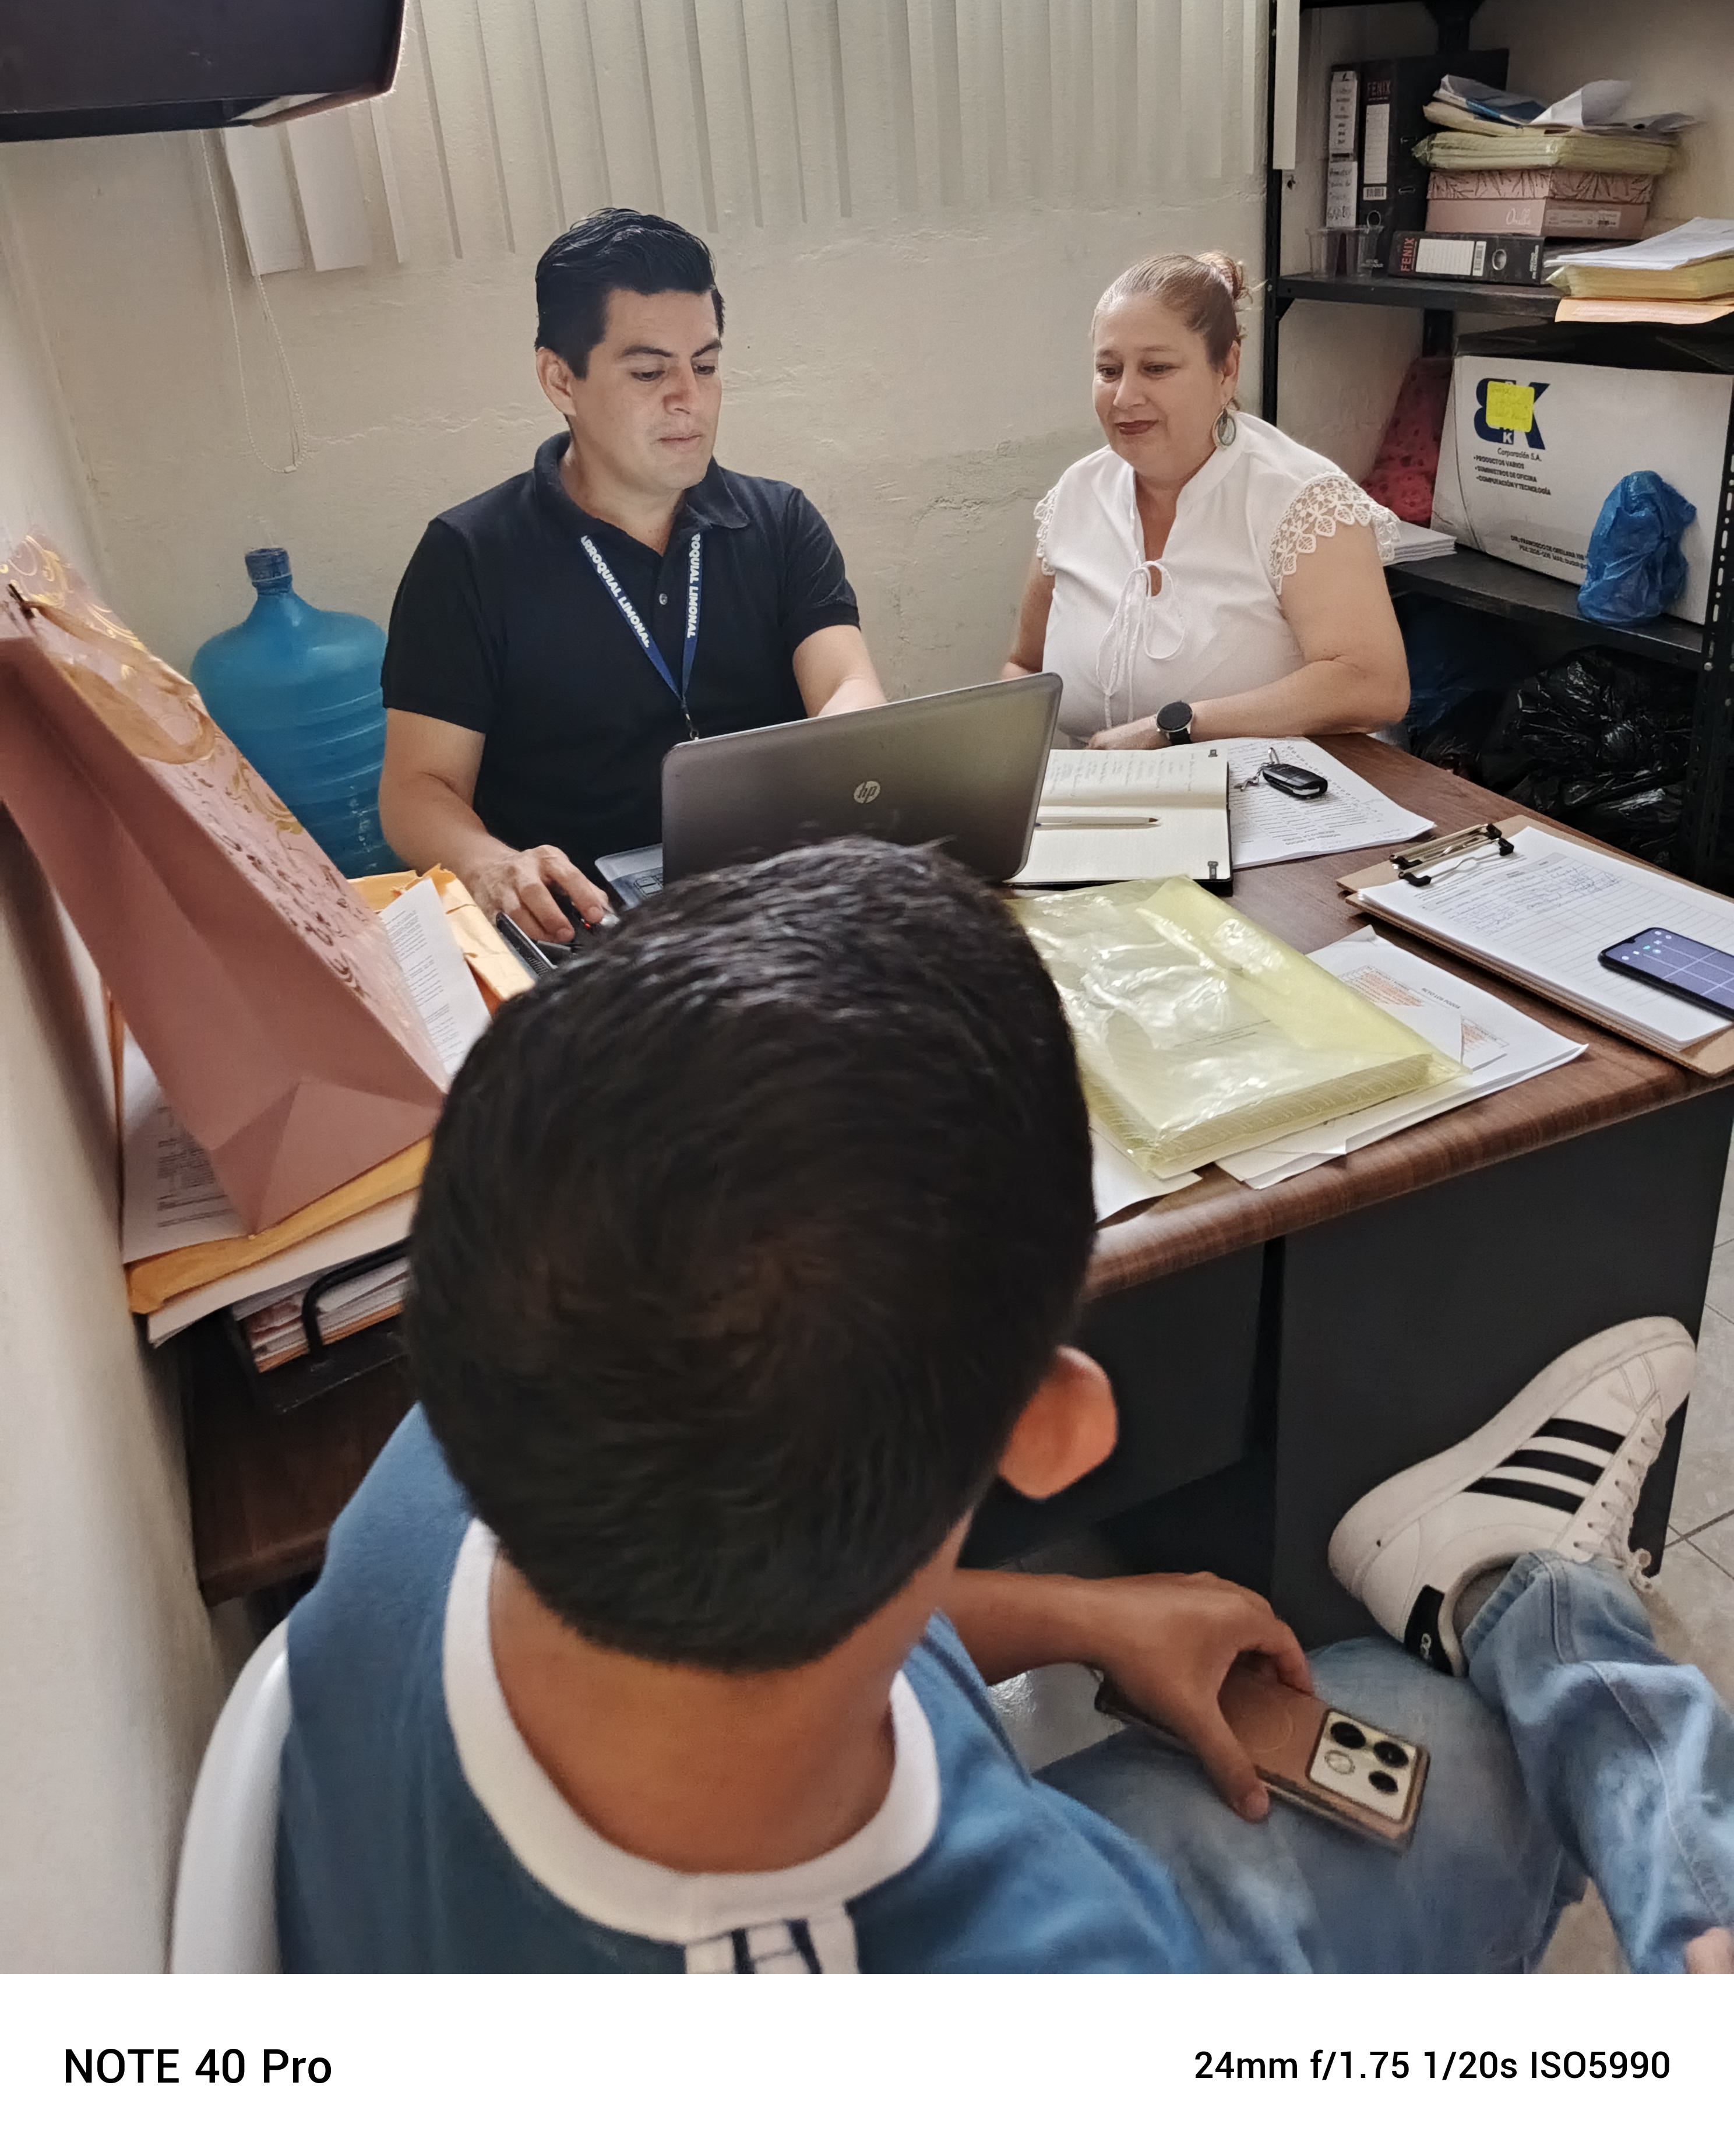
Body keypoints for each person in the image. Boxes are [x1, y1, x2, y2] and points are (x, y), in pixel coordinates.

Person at [276, 843, 1734, 1975]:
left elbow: (733, 1605)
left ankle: (1530, 1607)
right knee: (1475, 1761)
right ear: (1056, 1424)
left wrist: (1082, 1617)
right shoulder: (1061, 1974)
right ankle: (1536, 1605)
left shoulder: (470, 1436)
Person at [377, 208, 884, 938]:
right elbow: (417, 789)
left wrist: (849, 756)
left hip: (773, 902)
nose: (689, 399)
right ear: (561, 379)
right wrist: (492, 863)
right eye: (649, 372)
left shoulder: (779, 523)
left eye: (705, 366)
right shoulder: (470, 556)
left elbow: (847, 686)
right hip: (586, 924)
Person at [1003, 252, 1411, 750]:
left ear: (1227, 370)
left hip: (1265, 790)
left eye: (1156, 368)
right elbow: (1025, 666)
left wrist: (1174, 726)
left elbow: (1373, 684)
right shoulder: (1077, 494)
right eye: (1108, 370)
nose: (1124, 397)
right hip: (1095, 793)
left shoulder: (1300, 500)